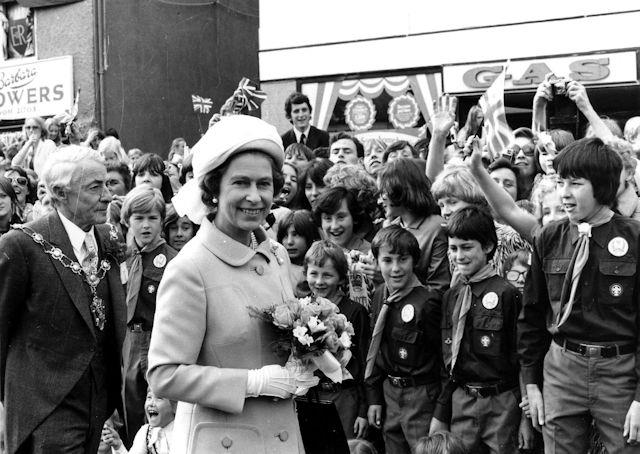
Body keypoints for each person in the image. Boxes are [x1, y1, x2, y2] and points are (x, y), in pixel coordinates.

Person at [147, 115, 316, 453]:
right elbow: (164, 375)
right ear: (213, 190)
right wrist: (252, 383)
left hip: (283, 437)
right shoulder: (191, 268)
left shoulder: (277, 255)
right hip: (225, 441)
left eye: (264, 184)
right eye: (241, 183)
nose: (254, 196)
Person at [0, 145, 126, 453]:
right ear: (59, 192)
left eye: (108, 184)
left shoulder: (107, 239)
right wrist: (19, 402)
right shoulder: (21, 246)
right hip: (46, 408)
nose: (108, 195)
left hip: (98, 402)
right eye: (95, 187)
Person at [519, 138, 640, 453]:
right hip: (562, 367)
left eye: (575, 184)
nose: (565, 194)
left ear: (601, 186)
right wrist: (530, 382)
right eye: (560, 183)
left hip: (620, 371)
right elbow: (531, 316)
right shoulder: (548, 238)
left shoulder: (635, 239)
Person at [430, 206, 527, 453]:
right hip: (462, 401)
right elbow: (448, 361)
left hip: (502, 402)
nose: (459, 255)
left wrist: (525, 418)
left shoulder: (507, 294)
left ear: (487, 247)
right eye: (453, 248)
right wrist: (442, 412)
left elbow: (523, 358)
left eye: (466, 247)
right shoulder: (452, 296)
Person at [365, 225, 442, 454]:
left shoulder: (428, 302)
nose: (396, 268)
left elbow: (445, 362)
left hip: (421, 395)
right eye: (387, 260)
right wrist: (374, 398)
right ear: (377, 262)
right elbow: (376, 349)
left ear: (414, 261)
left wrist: (441, 411)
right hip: (390, 393)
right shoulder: (380, 294)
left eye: (403, 259)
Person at [121, 186, 178, 445]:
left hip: (157, 339)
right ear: (127, 220)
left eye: (152, 218)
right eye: (138, 218)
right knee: (129, 400)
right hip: (128, 340)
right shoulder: (121, 255)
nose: (145, 226)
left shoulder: (172, 260)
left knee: (156, 403)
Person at [304, 240, 370, 440]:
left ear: (341, 278)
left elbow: (365, 362)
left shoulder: (355, 312)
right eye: (313, 273)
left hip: (344, 397)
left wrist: (363, 410)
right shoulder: (301, 309)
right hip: (311, 396)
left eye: (328, 275)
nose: (319, 281)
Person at [378, 158, 450, 294]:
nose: (380, 199)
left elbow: (439, 289)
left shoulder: (437, 228)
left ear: (401, 191)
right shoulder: (390, 229)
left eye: (385, 192)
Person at [102, 388, 176, 454]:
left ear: (175, 405)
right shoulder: (146, 432)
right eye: (149, 397)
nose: (151, 403)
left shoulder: (183, 432)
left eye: (159, 398)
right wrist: (118, 446)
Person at [276, 209, 320, 297]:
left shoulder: (321, 266)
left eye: (296, 234)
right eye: (285, 235)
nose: (289, 242)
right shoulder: (277, 268)